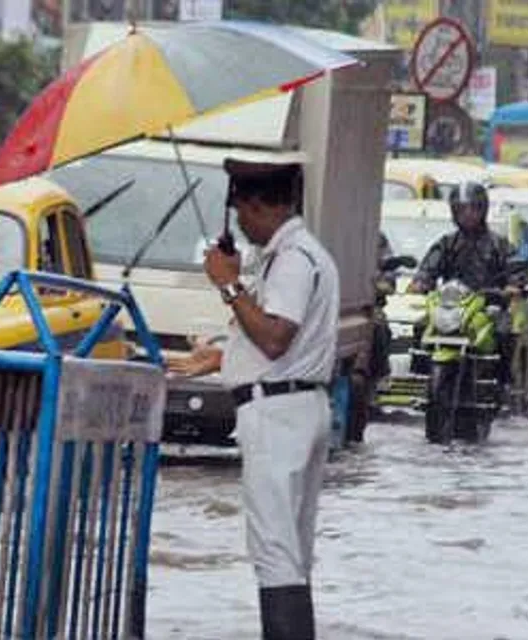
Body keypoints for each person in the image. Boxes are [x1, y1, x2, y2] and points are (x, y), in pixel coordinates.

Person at [168, 159, 339, 639]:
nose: (240, 224)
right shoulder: (300, 255)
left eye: (241, 211)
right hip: (294, 405)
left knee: (275, 551)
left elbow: (276, 338)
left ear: (260, 205)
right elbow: (282, 347)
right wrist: (225, 358)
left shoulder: (293, 259)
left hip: (278, 416)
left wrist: (228, 284)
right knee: (291, 551)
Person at [408, 180, 526, 391]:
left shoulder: (499, 244)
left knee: (504, 331)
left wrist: (513, 286)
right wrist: (421, 281)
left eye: (473, 208)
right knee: (421, 325)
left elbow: (516, 269)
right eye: (462, 209)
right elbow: (429, 267)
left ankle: (504, 384)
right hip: (453, 307)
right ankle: (421, 377)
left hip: (487, 307)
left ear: (483, 210)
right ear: (454, 212)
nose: (468, 214)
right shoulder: (447, 243)